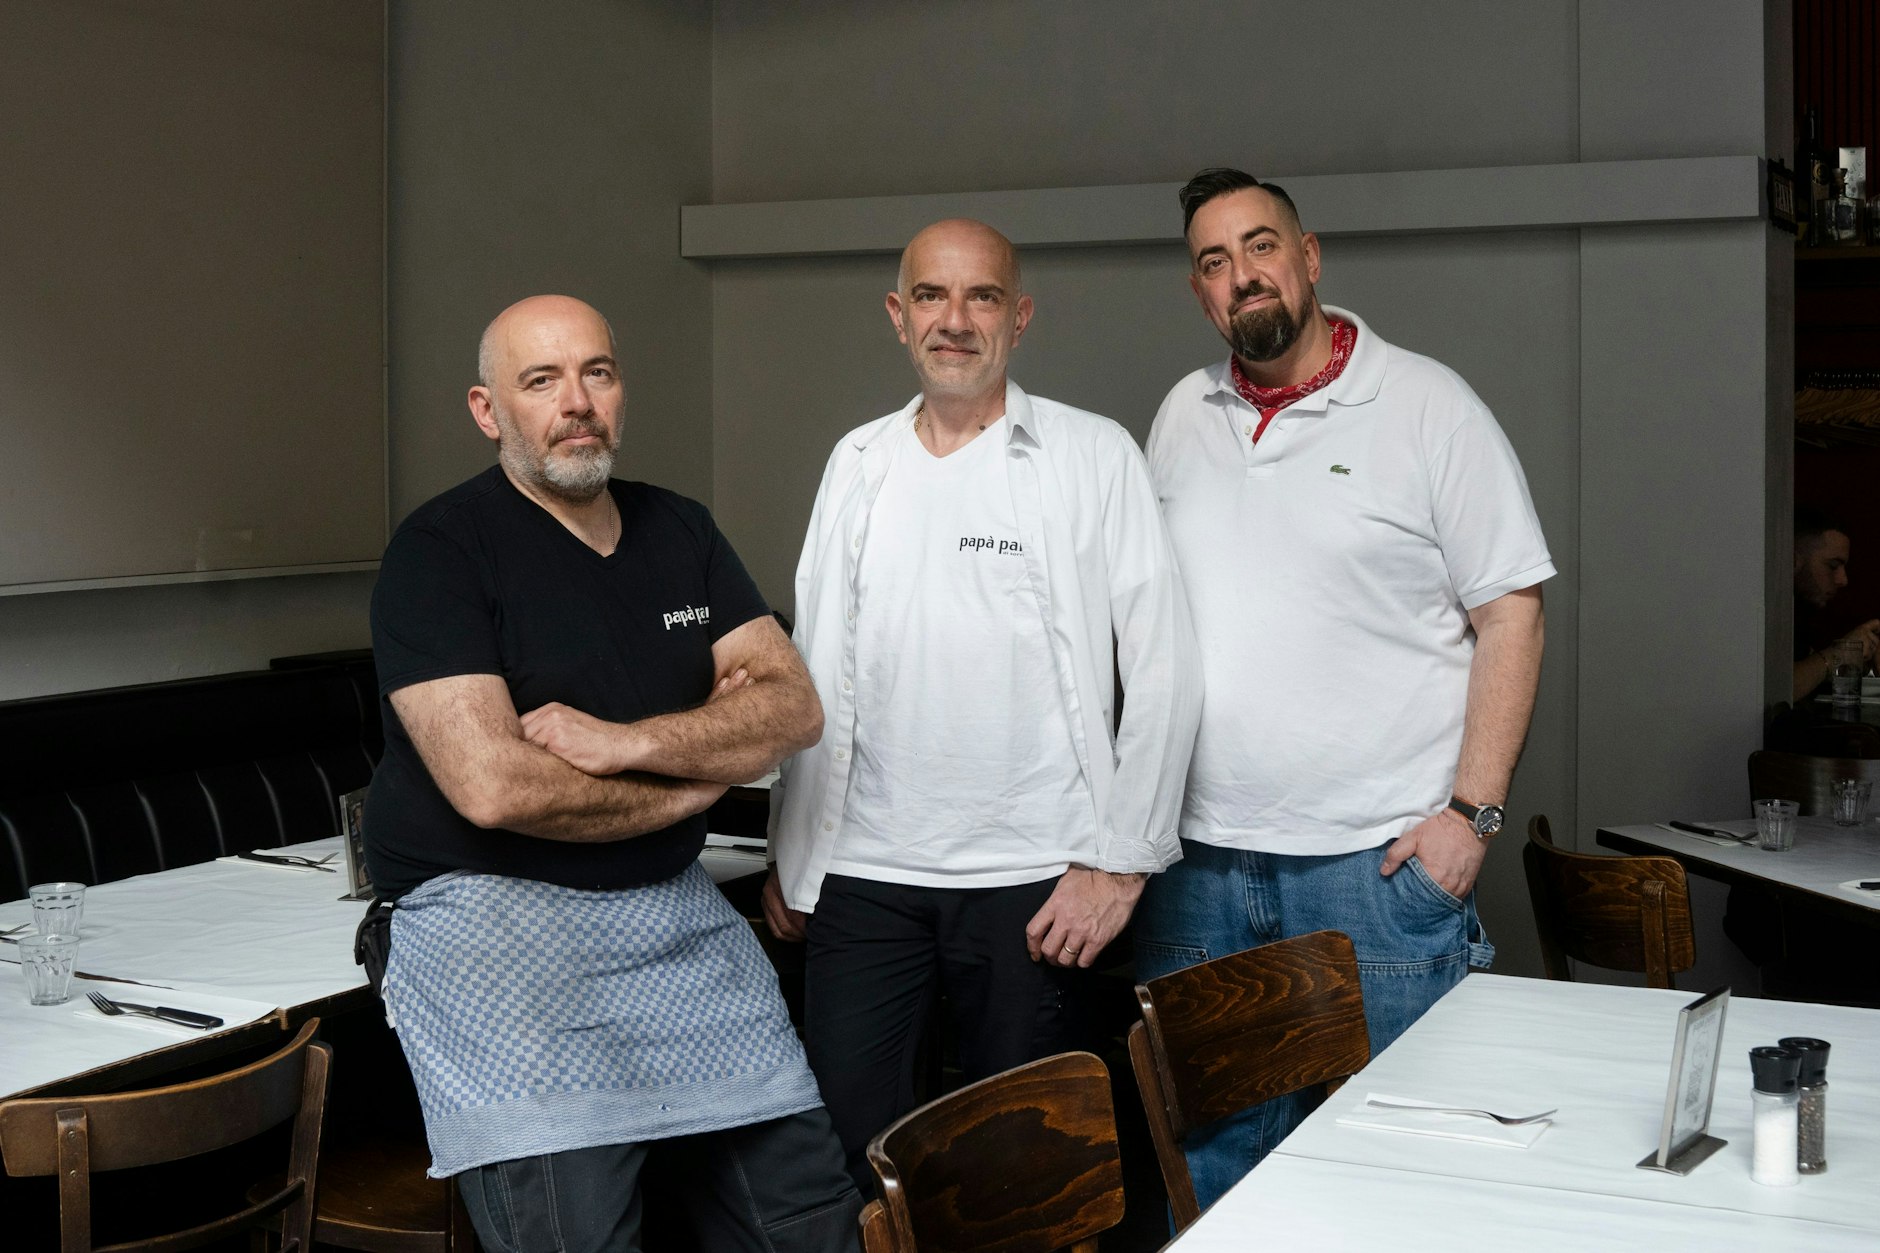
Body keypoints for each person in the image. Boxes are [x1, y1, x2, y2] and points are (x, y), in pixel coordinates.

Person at [363, 295, 859, 1253]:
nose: (576, 401)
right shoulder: (439, 551)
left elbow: (792, 707)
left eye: (597, 372)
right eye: (540, 380)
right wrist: (696, 780)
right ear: (487, 409)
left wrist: (628, 742)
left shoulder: (682, 530)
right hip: (492, 928)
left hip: (675, 916)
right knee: (578, 1236)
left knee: (812, 1222)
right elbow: (493, 788)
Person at [1137, 168, 1553, 1204]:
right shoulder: (1180, 415)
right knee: (1220, 1174)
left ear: (1308, 256)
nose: (1242, 276)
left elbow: (1511, 611)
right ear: (1197, 292)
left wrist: (1471, 813)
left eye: (1260, 245)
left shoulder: (1425, 406)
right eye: (1213, 261)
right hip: (1198, 867)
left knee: (1403, 1183)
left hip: (1373, 872)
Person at [766, 218, 1201, 1187]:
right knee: (851, 1172)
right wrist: (794, 856)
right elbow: (814, 663)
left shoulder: (1091, 455)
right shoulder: (858, 461)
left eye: (981, 297)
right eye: (930, 295)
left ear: (1020, 316)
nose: (953, 320)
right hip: (864, 881)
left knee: (1023, 1180)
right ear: (896, 314)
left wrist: (1120, 861)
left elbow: (1165, 669)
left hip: (1037, 885)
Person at [1791, 505, 1878, 702]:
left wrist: (1864, 661)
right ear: (1792, 560)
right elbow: (1774, 690)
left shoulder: (1799, 615)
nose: (1843, 580)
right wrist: (1840, 654)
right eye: (1833, 566)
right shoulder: (1759, 613)